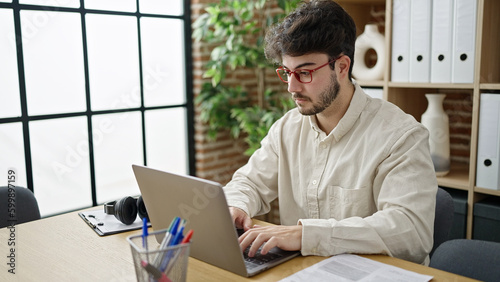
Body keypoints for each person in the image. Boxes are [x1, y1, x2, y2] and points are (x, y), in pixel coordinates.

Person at [223, 0, 437, 265]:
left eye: (304, 73)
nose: (291, 87)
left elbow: (411, 232)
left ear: (342, 67)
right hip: (306, 270)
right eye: (287, 72)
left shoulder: (401, 137)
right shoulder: (287, 128)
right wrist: (236, 206)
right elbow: (249, 182)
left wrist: (306, 235)